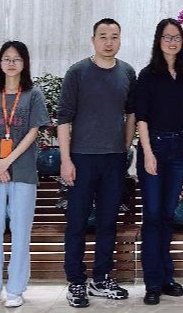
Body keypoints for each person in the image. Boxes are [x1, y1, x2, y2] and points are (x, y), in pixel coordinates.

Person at [58, 18, 136, 308]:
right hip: (81, 158)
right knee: (77, 222)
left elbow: (131, 114)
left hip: (114, 160)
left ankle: (101, 278)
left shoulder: (127, 72)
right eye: (103, 36)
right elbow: (63, 119)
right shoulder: (77, 72)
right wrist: (66, 160)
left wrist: (124, 148)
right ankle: (76, 281)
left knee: (108, 222)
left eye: (114, 36)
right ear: (93, 40)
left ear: (120, 40)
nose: (108, 42)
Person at [0, 41, 50, 308]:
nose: (11, 63)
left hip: (22, 172)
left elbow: (33, 132)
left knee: (20, 233)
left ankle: (16, 289)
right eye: (6, 58)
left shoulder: (33, 95)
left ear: (24, 63)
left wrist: (7, 160)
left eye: (16, 59)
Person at [135, 18, 183, 305]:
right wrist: (148, 153)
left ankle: (166, 278)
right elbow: (141, 118)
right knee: (151, 215)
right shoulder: (148, 74)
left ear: (182, 42)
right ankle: (152, 281)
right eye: (166, 37)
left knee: (167, 215)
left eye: (176, 37)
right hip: (154, 147)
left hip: (180, 149)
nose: (171, 42)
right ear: (158, 41)